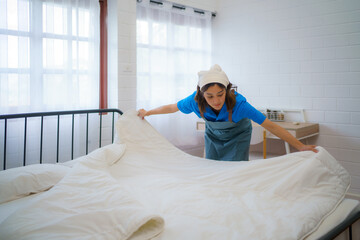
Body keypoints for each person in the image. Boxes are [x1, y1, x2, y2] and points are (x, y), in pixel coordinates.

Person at [138, 64, 317, 161]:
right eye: (209, 96)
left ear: (227, 90)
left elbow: (270, 126)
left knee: (234, 170)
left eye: (220, 94)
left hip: (238, 137)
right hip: (213, 138)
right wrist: (149, 112)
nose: (216, 101)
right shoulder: (194, 101)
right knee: (212, 167)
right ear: (201, 94)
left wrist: (299, 146)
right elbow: (172, 107)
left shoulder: (239, 105)